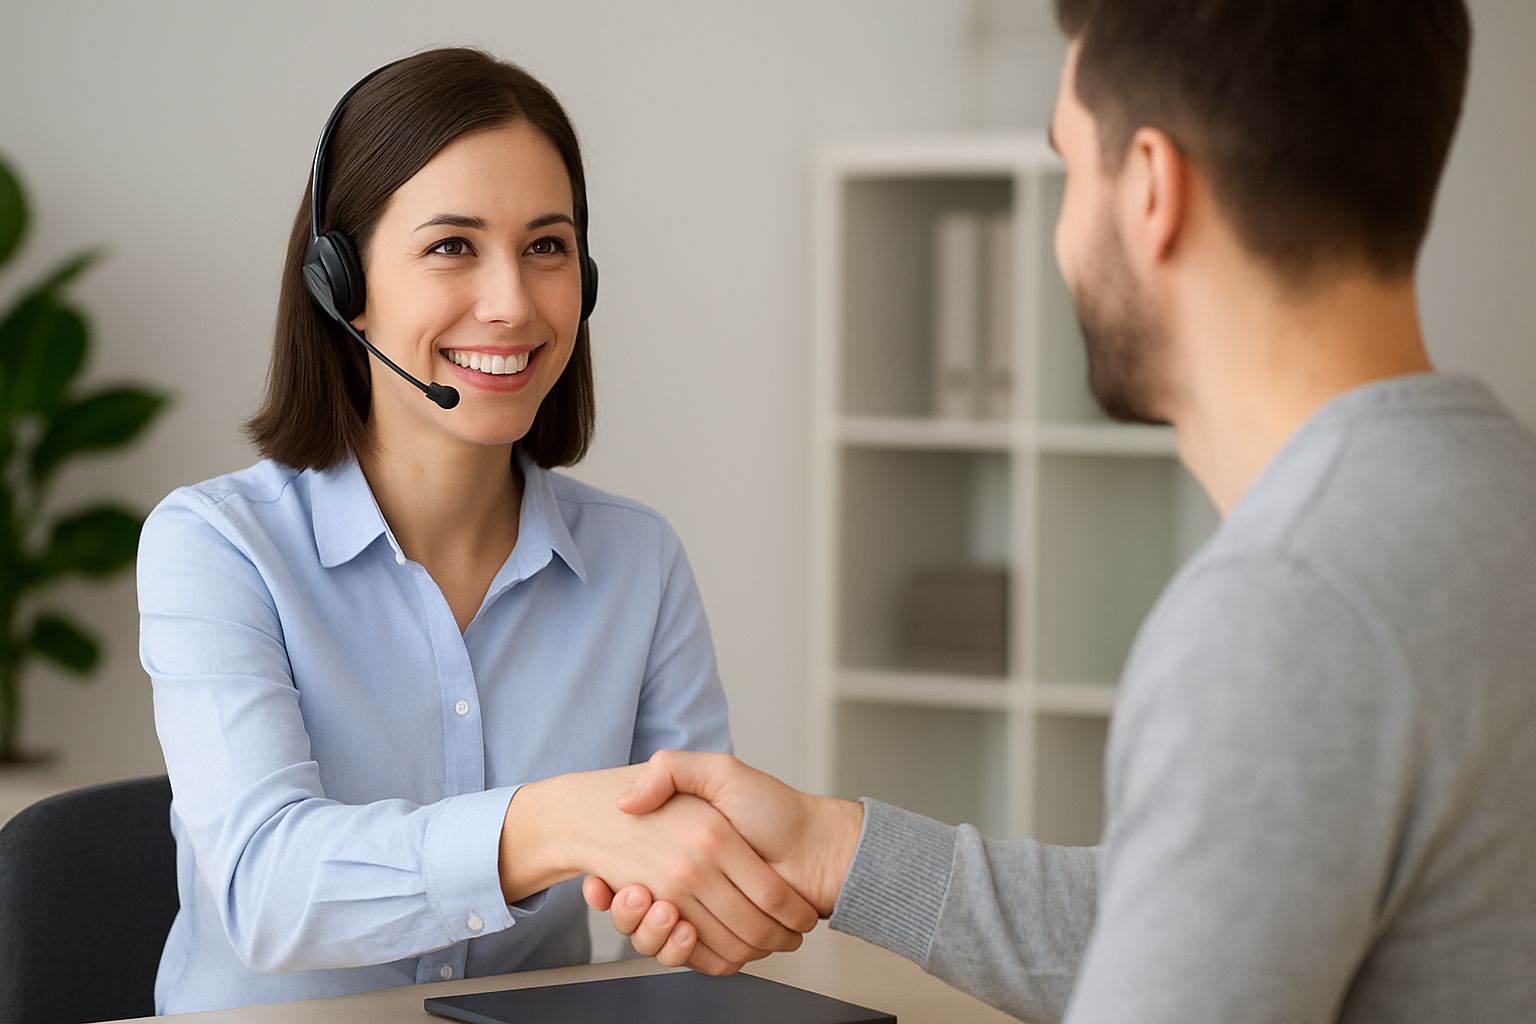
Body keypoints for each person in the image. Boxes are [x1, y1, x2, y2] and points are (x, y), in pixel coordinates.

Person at [586, 1, 1536, 1020]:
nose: (1063, 232)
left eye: (1070, 167)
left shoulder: (1284, 610)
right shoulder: (1493, 495)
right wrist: (834, 848)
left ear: (1153, 192)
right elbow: (1202, 922)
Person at [136, 48, 813, 1015]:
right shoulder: (215, 546)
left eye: (547, 246)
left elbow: (688, 874)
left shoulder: (638, 561)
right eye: (452, 246)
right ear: (341, 282)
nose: (512, 302)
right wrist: (549, 825)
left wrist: (707, 902)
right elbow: (266, 892)